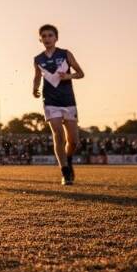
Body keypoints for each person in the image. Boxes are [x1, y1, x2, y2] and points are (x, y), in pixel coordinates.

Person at [33, 24, 84, 185]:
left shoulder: (66, 54)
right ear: (40, 39)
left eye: (50, 35)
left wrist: (68, 76)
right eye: (44, 36)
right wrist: (34, 88)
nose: (47, 38)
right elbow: (37, 77)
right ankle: (65, 171)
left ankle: (68, 159)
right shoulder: (38, 59)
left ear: (56, 38)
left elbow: (81, 73)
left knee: (73, 141)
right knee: (58, 135)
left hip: (68, 101)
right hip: (50, 101)